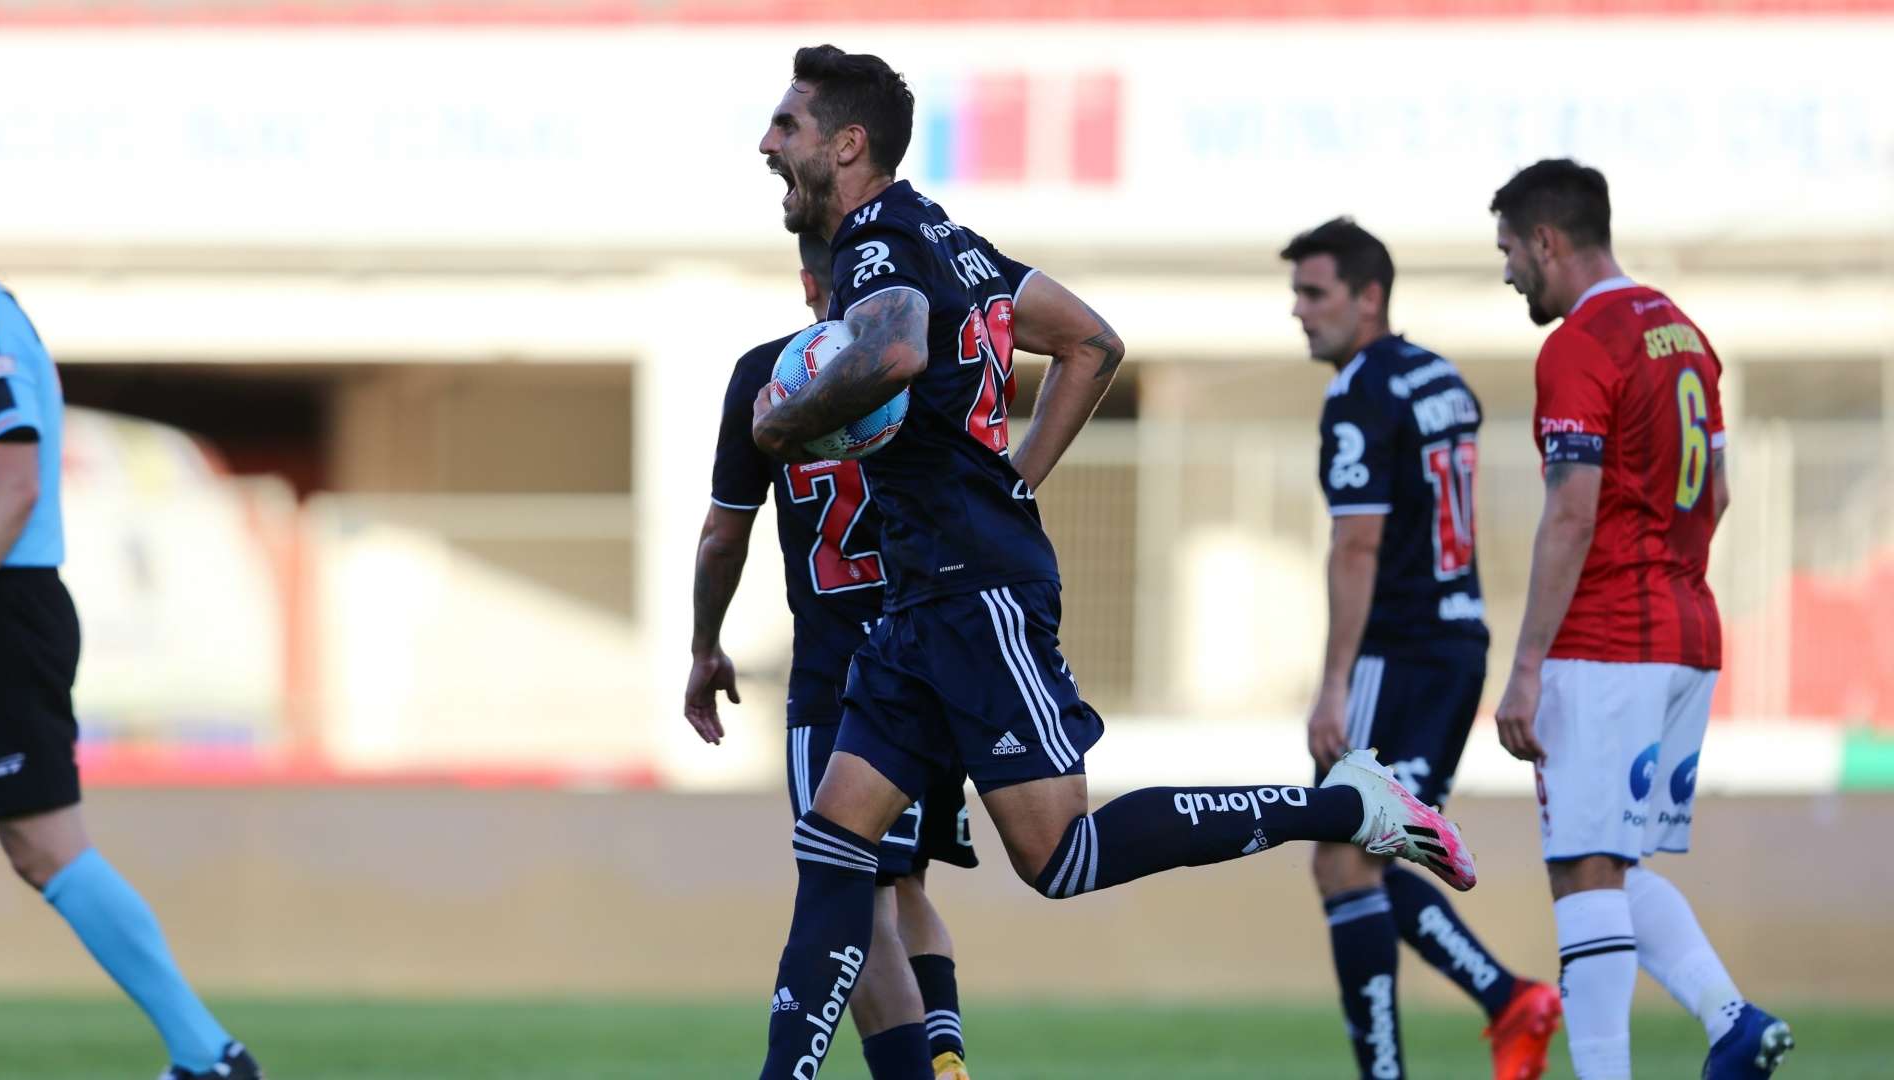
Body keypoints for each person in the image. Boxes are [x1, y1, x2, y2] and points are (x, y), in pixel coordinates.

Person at [748, 45, 1477, 1079]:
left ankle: (1350, 806)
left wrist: (787, 420)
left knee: (1062, 857)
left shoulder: (877, 244)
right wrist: (1015, 479)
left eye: (788, 126)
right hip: (922, 601)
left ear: (848, 145)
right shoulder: (952, 242)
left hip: (975, 598)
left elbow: (895, 350)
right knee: (833, 847)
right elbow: (1090, 341)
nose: (769, 144)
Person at [1488, 158, 1793, 1080]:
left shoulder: (1580, 345)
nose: (1507, 274)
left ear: (1548, 240)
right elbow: (1723, 490)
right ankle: (1731, 1020)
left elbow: (1572, 509)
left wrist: (1528, 664)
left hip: (1608, 640)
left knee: (1582, 869)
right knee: (1609, 862)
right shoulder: (1685, 334)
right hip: (1687, 635)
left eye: (1509, 251)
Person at [0, 191, 263, 1079]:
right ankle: (204, 1053)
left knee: (46, 844)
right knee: (42, 845)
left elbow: (14, 483)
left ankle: (205, 1052)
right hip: (4, 608)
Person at [686, 229, 979, 1080]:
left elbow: (720, 539)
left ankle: (912, 1074)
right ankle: (948, 1054)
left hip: (840, 676)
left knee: (859, 893)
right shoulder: (929, 365)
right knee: (909, 881)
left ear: (812, 279)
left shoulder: (768, 376)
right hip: (933, 656)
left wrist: (705, 646)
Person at [1283, 217, 1561, 1080]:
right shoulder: (1441, 377)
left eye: (1315, 293)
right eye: (1295, 293)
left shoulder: (1360, 393)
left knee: (1343, 855)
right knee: (1373, 852)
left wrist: (1334, 686)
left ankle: (1466, 1022)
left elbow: (1357, 544)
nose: (1298, 312)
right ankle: (1506, 997)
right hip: (1457, 645)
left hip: (1396, 655)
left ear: (1369, 297)